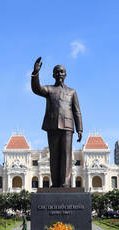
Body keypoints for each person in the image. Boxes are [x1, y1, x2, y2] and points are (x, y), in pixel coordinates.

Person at [31, 57, 83, 187]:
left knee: (66, 155)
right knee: (54, 156)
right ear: (53, 75)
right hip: (52, 125)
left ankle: (65, 183)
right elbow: (36, 89)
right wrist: (35, 73)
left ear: (65, 75)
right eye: (57, 72)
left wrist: (80, 129)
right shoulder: (49, 89)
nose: (60, 74)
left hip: (67, 126)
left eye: (62, 72)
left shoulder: (72, 91)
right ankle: (55, 183)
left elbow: (77, 111)